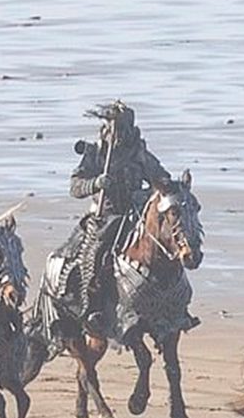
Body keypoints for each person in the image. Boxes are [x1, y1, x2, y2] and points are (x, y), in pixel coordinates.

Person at [65, 100, 171, 332]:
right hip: (107, 216)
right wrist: (95, 183)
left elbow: (162, 178)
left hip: (136, 215)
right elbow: (75, 186)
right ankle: (92, 307)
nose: (119, 133)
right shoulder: (96, 153)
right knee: (96, 255)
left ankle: (172, 305)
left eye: (123, 128)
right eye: (115, 128)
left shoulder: (139, 153)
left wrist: (148, 193)